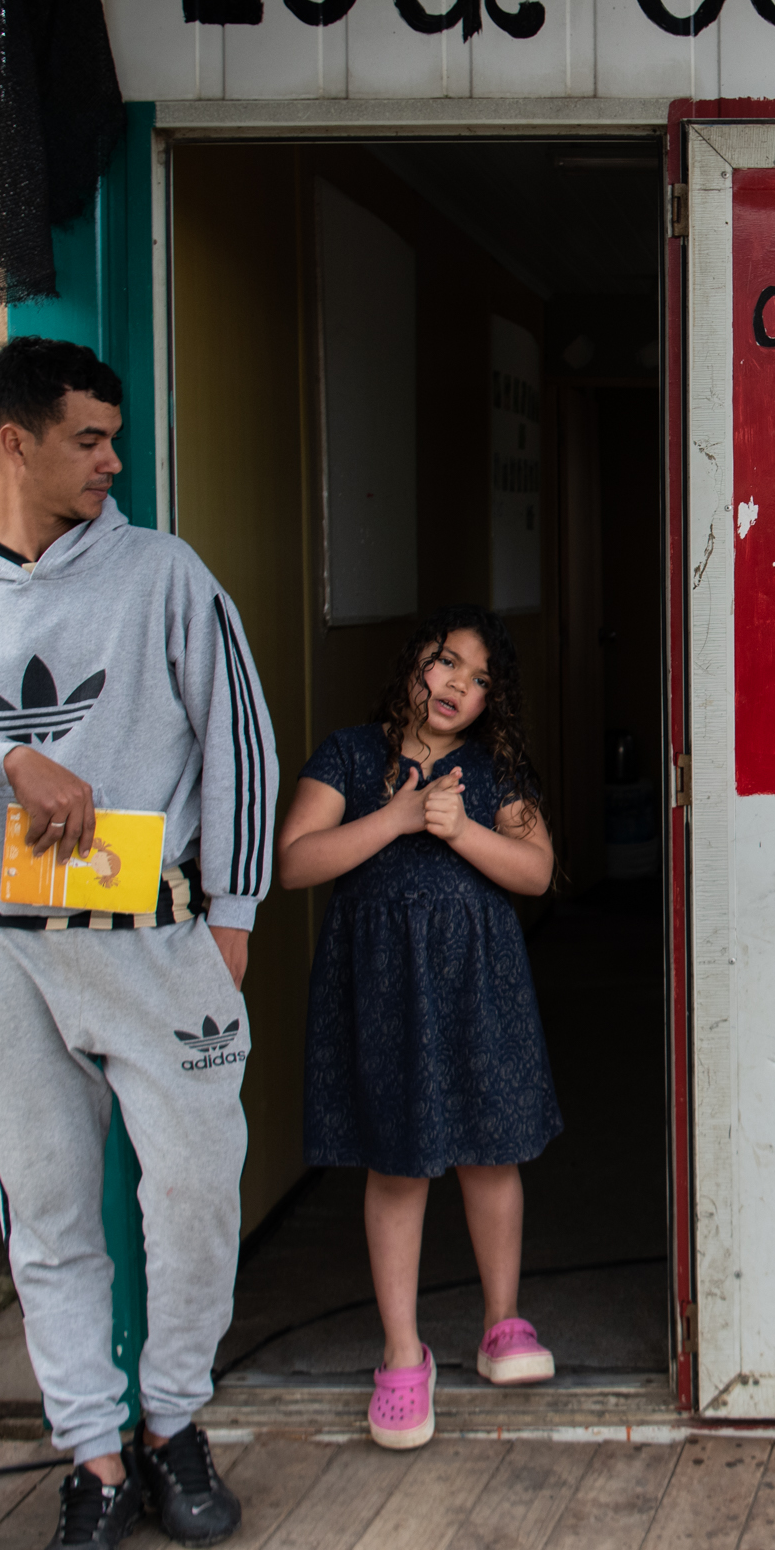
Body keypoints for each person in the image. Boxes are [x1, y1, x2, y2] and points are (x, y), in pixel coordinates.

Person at [0, 336, 278, 1550]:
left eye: (116, 438)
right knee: (46, 1216)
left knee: (195, 1194)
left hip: (153, 938)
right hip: (0, 948)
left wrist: (233, 915)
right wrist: (3, 766)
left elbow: (238, 742)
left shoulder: (163, 575)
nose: (112, 460)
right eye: (88, 439)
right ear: (14, 443)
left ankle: (172, 1427)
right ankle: (92, 1459)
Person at [278, 606, 562, 1447]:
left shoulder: (491, 771)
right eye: (446, 663)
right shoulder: (351, 755)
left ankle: (502, 1322)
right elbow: (295, 860)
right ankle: (404, 1354)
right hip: (387, 989)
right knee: (397, 1166)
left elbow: (538, 870)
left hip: (478, 983)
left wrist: (463, 829)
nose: (456, 687)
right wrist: (398, 820)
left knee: (490, 1151)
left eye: (479, 681)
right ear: (413, 663)